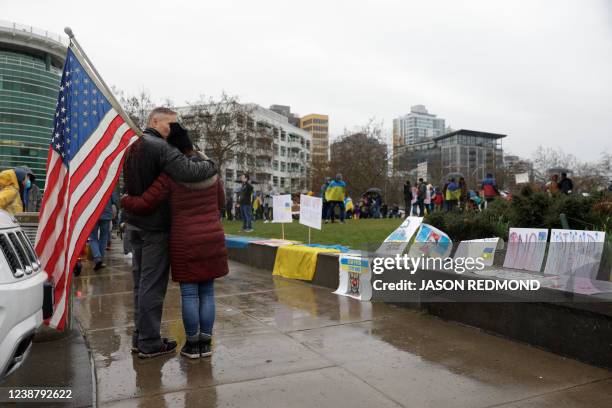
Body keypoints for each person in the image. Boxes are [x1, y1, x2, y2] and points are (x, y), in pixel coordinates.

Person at [122, 130, 228, 359]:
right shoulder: (212, 173)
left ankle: (191, 345)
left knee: (190, 295)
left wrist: (125, 200)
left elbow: (146, 203)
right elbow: (222, 202)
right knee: (208, 293)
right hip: (212, 239)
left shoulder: (171, 176)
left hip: (185, 240)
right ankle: (205, 344)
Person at [89, 192, 119, 271]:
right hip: (106, 213)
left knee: (92, 237)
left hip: (93, 213)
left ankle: (97, 257)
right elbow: (115, 200)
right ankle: (100, 260)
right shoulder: (107, 182)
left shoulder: (91, 183)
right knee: (104, 236)